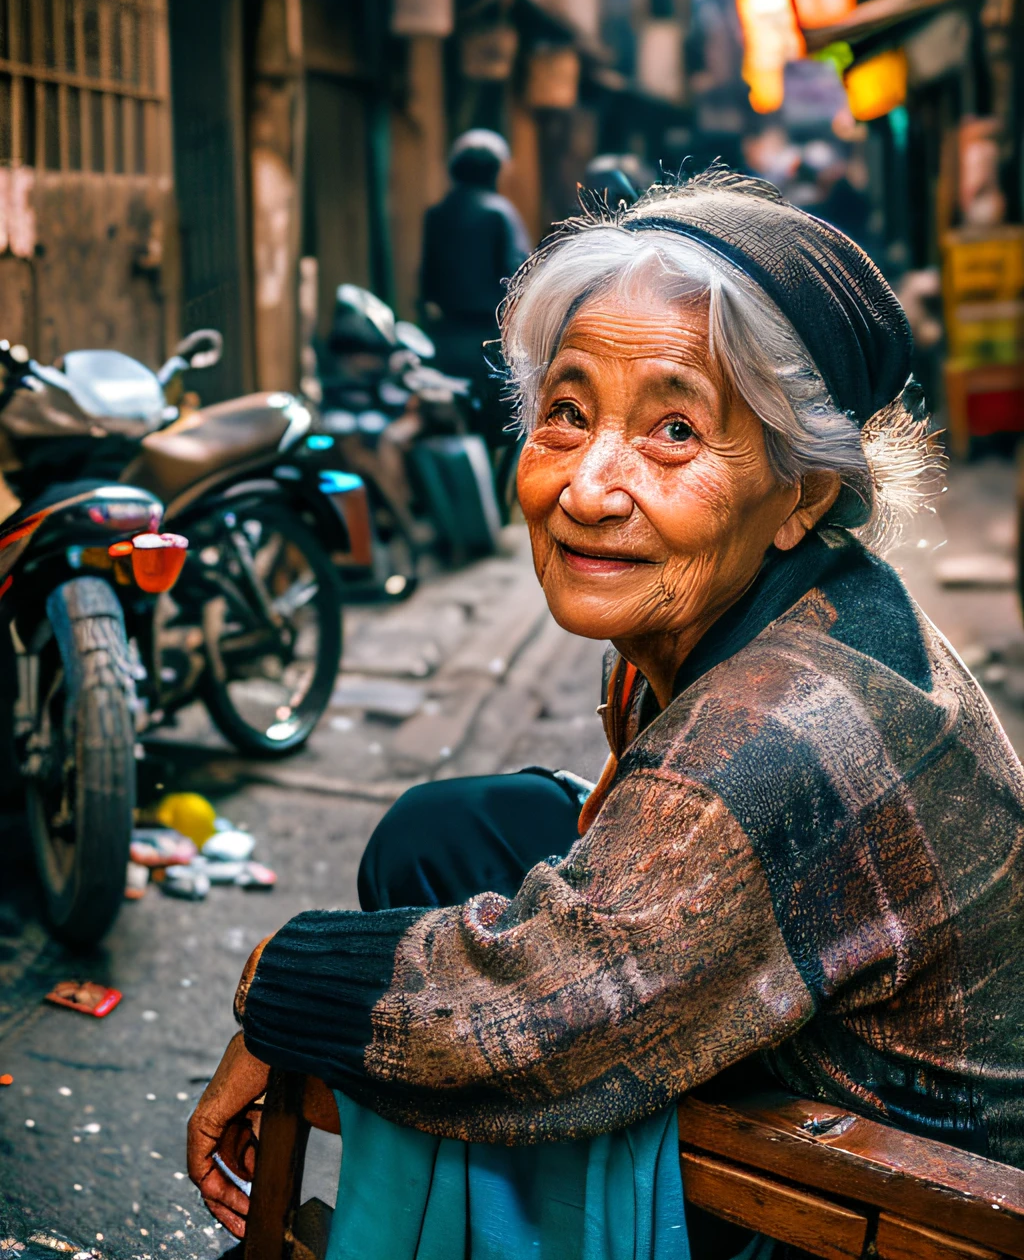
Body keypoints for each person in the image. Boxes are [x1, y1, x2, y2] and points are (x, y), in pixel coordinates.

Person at [188, 169, 1024, 1258]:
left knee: (437, 993)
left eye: (675, 431)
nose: (588, 486)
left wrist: (281, 986)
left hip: (880, 1211)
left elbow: (526, 1017)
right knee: (446, 837)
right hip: (802, 1057)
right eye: (567, 414)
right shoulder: (728, 616)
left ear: (802, 492)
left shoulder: (775, 733)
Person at [419, 129, 531, 442]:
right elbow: (518, 276)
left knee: (453, 421)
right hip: (489, 339)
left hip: (444, 337)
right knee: (496, 428)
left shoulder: (437, 214)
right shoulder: (499, 212)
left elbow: (427, 280)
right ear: (495, 169)